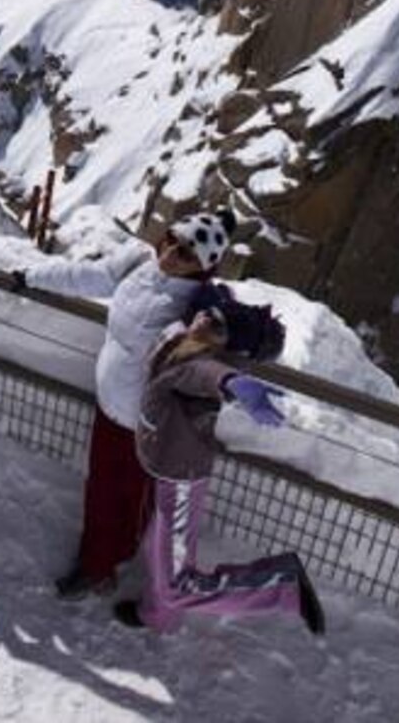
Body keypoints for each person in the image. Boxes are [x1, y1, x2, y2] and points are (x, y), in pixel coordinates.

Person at [15, 207, 237, 596]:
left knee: (131, 500)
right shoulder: (138, 261)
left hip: (145, 426)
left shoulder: (196, 307)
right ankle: (96, 561)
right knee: (99, 488)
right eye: (170, 238)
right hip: (109, 406)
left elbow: (205, 353)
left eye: (185, 253)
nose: (170, 253)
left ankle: (109, 565)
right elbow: (90, 276)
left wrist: (211, 331)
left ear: (202, 267)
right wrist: (32, 276)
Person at [115, 300, 325, 634]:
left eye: (216, 324)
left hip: (181, 479)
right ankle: (159, 615)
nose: (203, 318)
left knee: (177, 583)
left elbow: (205, 374)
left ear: (227, 347)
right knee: (162, 548)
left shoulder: (198, 365)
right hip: (170, 471)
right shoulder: (186, 344)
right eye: (208, 312)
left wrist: (233, 382)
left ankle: (282, 585)